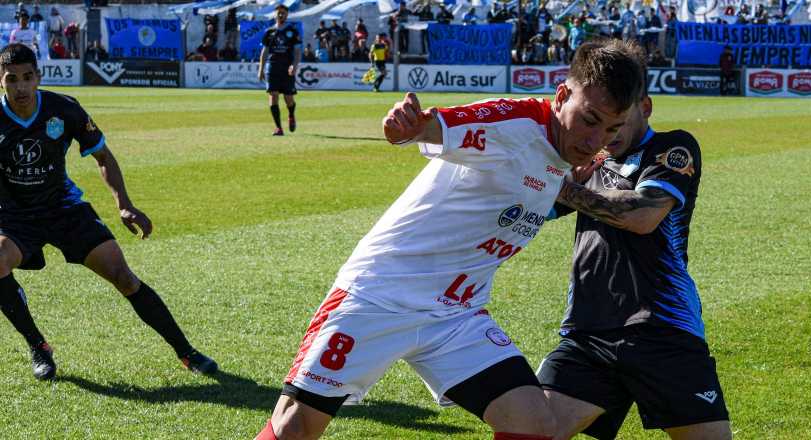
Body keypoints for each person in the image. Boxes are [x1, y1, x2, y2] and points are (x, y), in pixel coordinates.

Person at [252, 39, 645, 440]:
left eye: (612, 129)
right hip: (381, 295)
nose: (597, 139)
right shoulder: (513, 123)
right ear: (562, 95)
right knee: (295, 426)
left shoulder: (567, 157)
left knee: (532, 423)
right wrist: (409, 126)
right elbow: (437, 126)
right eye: (590, 120)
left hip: (455, 315)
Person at [538, 49, 732, 440]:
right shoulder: (588, 157)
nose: (607, 135)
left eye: (617, 122)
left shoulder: (672, 148)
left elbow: (641, 216)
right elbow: (532, 212)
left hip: (661, 329)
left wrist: (566, 188)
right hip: (588, 332)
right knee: (529, 428)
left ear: (644, 105)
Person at [0, 43, 217, 381]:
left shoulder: (64, 109)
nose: (21, 87)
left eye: (28, 78)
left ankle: (186, 352)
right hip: (15, 215)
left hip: (64, 208)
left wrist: (124, 205)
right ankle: (37, 346)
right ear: (1, 81)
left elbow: (102, 156)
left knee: (124, 277)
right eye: (12, 79)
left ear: (38, 77)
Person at [258, 4, 301, 136]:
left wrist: (294, 65)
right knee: (273, 95)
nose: (281, 15)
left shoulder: (292, 31)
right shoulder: (269, 32)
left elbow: (297, 51)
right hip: (272, 67)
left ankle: (291, 115)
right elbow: (264, 52)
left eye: (283, 13)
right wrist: (260, 69)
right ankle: (278, 128)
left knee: (289, 98)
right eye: (279, 13)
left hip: (287, 67)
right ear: (275, 15)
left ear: (287, 15)